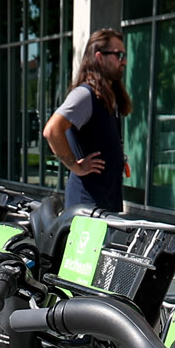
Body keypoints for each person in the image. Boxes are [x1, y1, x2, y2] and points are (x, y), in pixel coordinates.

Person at [43, 29, 130, 212]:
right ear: (99, 57)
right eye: (118, 55)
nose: (124, 61)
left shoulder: (107, 97)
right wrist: (75, 166)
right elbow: (52, 130)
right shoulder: (85, 95)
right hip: (86, 207)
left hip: (105, 202)